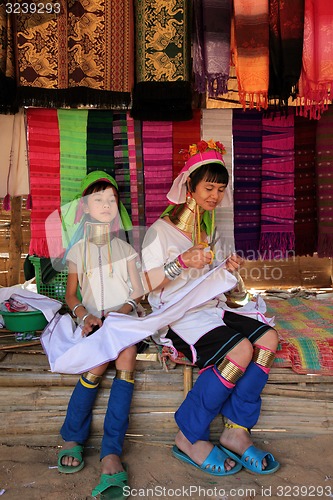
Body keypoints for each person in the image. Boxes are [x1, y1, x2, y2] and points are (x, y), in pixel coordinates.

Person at [141, 140, 280, 476]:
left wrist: (225, 270)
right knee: (241, 349)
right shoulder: (160, 231)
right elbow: (147, 286)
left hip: (209, 307)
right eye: (209, 187)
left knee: (269, 340)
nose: (215, 196)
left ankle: (235, 430)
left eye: (221, 189)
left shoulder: (205, 228)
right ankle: (189, 435)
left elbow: (204, 280)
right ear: (189, 185)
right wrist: (180, 262)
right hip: (178, 314)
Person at [57, 171, 144, 498]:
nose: (106, 205)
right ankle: (74, 437)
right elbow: (71, 296)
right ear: (86, 207)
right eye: (98, 200)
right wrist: (85, 316)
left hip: (124, 320)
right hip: (93, 322)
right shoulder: (78, 250)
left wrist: (122, 311)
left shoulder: (126, 250)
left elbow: (138, 293)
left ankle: (111, 452)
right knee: (97, 364)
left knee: (127, 355)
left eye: (111, 200)